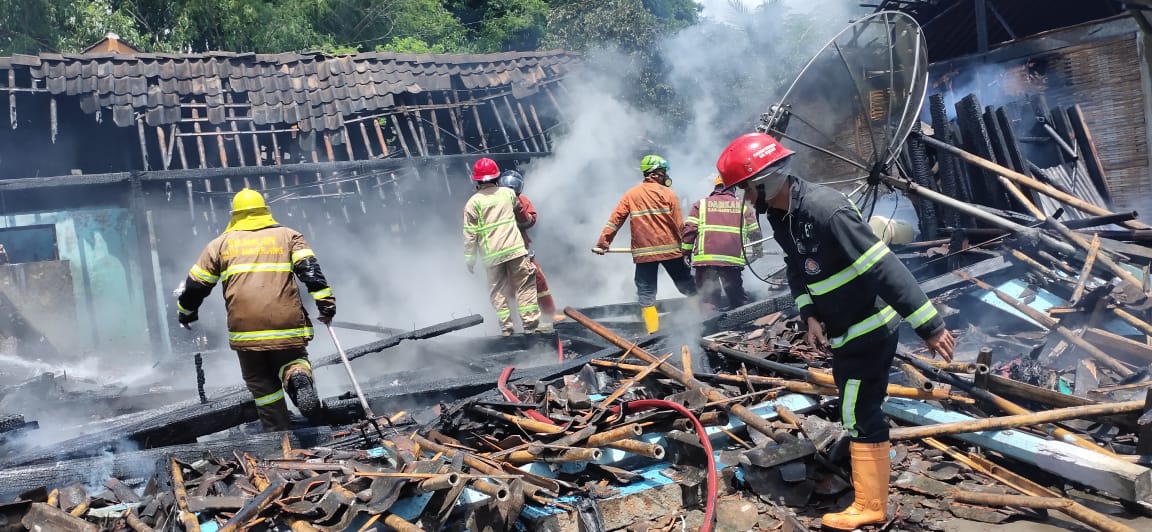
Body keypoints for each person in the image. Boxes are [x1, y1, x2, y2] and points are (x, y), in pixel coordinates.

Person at [715, 132, 955, 530]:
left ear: (765, 181)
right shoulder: (782, 215)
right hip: (845, 330)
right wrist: (809, 313)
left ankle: (870, 505)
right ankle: (867, 489)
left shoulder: (825, 210)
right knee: (855, 406)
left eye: (744, 189)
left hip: (869, 327)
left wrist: (929, 325)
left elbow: (882, 266)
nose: (744, 199)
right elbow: (797, 268)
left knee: (858, 410)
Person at [176, 188, 334, 432]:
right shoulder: (289, 236)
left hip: (246, 332)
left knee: (262, 384)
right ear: (265, 211)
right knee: (293, 361)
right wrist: (326, 305)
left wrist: (186, 313)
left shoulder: (219, 245)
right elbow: (311, 273)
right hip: (287, 326)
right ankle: (297, 377)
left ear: (235, 215)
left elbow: (195, 286)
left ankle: (279, 434)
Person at [594, 155, 698, 334]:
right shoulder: (669, 194)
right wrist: (686, 247)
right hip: (671, 251)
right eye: (663, 172)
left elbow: (615, 221)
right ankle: (700, 320)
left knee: (646, 294)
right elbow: (679, 224)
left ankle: (652, 333)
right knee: (687, 285)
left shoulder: (631, 194)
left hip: (645, 254)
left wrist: (603, 243)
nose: (666, 175)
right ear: (655, 173)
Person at [464, 158, 541, 336]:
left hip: (491, 257)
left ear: (476, 180)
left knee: (497, 291)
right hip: (515, 250)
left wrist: (470, 259)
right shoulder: (508, 194)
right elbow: (522, 216)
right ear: (497, 177)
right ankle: (530, 327)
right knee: (525, 286)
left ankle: (506, 329)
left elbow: (469, 235)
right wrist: (528, 221)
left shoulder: (472, 203)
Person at [682, 175, 763, 310]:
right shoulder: (743, 207)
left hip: (706, 261)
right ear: (734, 188)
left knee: (708, 300)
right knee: (737, 298)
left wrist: (686, 253)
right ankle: (741, 323)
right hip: (731, 262)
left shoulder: (701, 205)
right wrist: (757, 251)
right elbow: (755, 233)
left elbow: (689, 230)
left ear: (716, 188)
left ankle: (708, 328)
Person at [499, 169, 566, 328]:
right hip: (501, 252)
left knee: (538, 280)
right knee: (505, 290)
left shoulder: (521, 200)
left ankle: (548, 314)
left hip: (519, 249)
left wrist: (518, 208)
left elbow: (529, 220)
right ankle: (510, 324)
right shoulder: (490, 201)